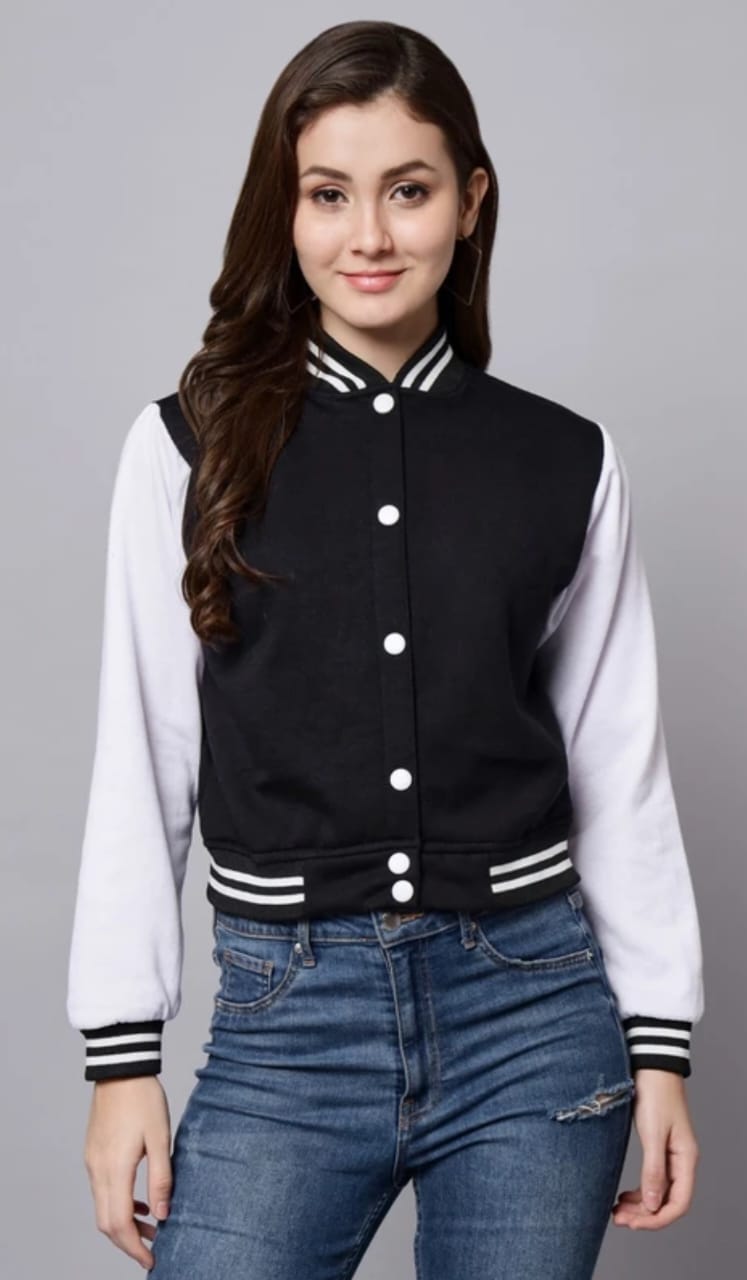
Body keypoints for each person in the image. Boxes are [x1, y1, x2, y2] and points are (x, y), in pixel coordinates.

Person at [66, 19, 704, 1279]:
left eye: (407, 191)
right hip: (286, 1027)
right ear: (285, 210)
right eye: (328, 194)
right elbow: (141, 754)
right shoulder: (184, 448)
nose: (368, 235)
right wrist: (121, 1055)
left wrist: (659, 1042)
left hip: (531, 1014)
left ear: (470, 202)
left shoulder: (563, 458)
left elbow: (617, 762)